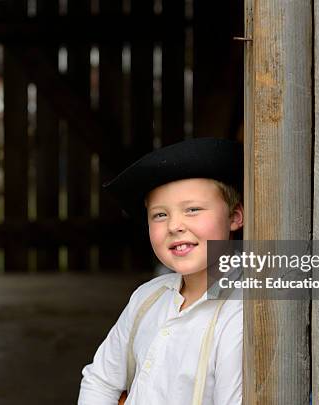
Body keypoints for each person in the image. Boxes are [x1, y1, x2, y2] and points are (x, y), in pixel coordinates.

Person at [78, 138, 244, 405]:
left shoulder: (239, 313)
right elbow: (100, 381)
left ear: (235, 216)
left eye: (192, 210)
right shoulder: (147, 297)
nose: (174, 225)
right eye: (159, 215)